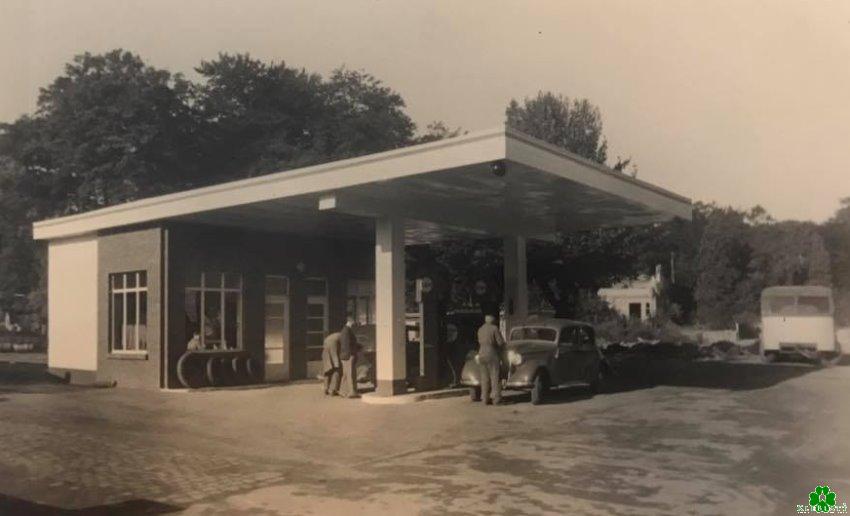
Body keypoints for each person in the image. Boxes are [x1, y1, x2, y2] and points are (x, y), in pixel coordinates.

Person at [476, 314, 505, 405]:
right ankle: (496, 399)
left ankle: (484, 398)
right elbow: (500, 343)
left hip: (481, 354)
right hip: (492, 354)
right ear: (493, 321)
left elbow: (479, 341)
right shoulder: (494, 328)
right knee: (495, 376)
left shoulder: (480, 329)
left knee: (484, 377)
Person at [338, 316, 361, 399]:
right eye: (354, 322)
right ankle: (352, 392)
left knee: (345, 374)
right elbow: (347, 344)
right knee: (351, 374)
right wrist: (351, 354)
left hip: (344, 355)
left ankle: (342, 391)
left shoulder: (344, 330)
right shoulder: (347, 330)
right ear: (351, 322)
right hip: (348, 355)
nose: (355, 324)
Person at [322, 332, 342, 396]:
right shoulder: (341, 336)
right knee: (337, 370)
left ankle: (326, 388)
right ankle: (334, 389)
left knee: (328, 370)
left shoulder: (331, 337)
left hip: (326, 352)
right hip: (334, 351)